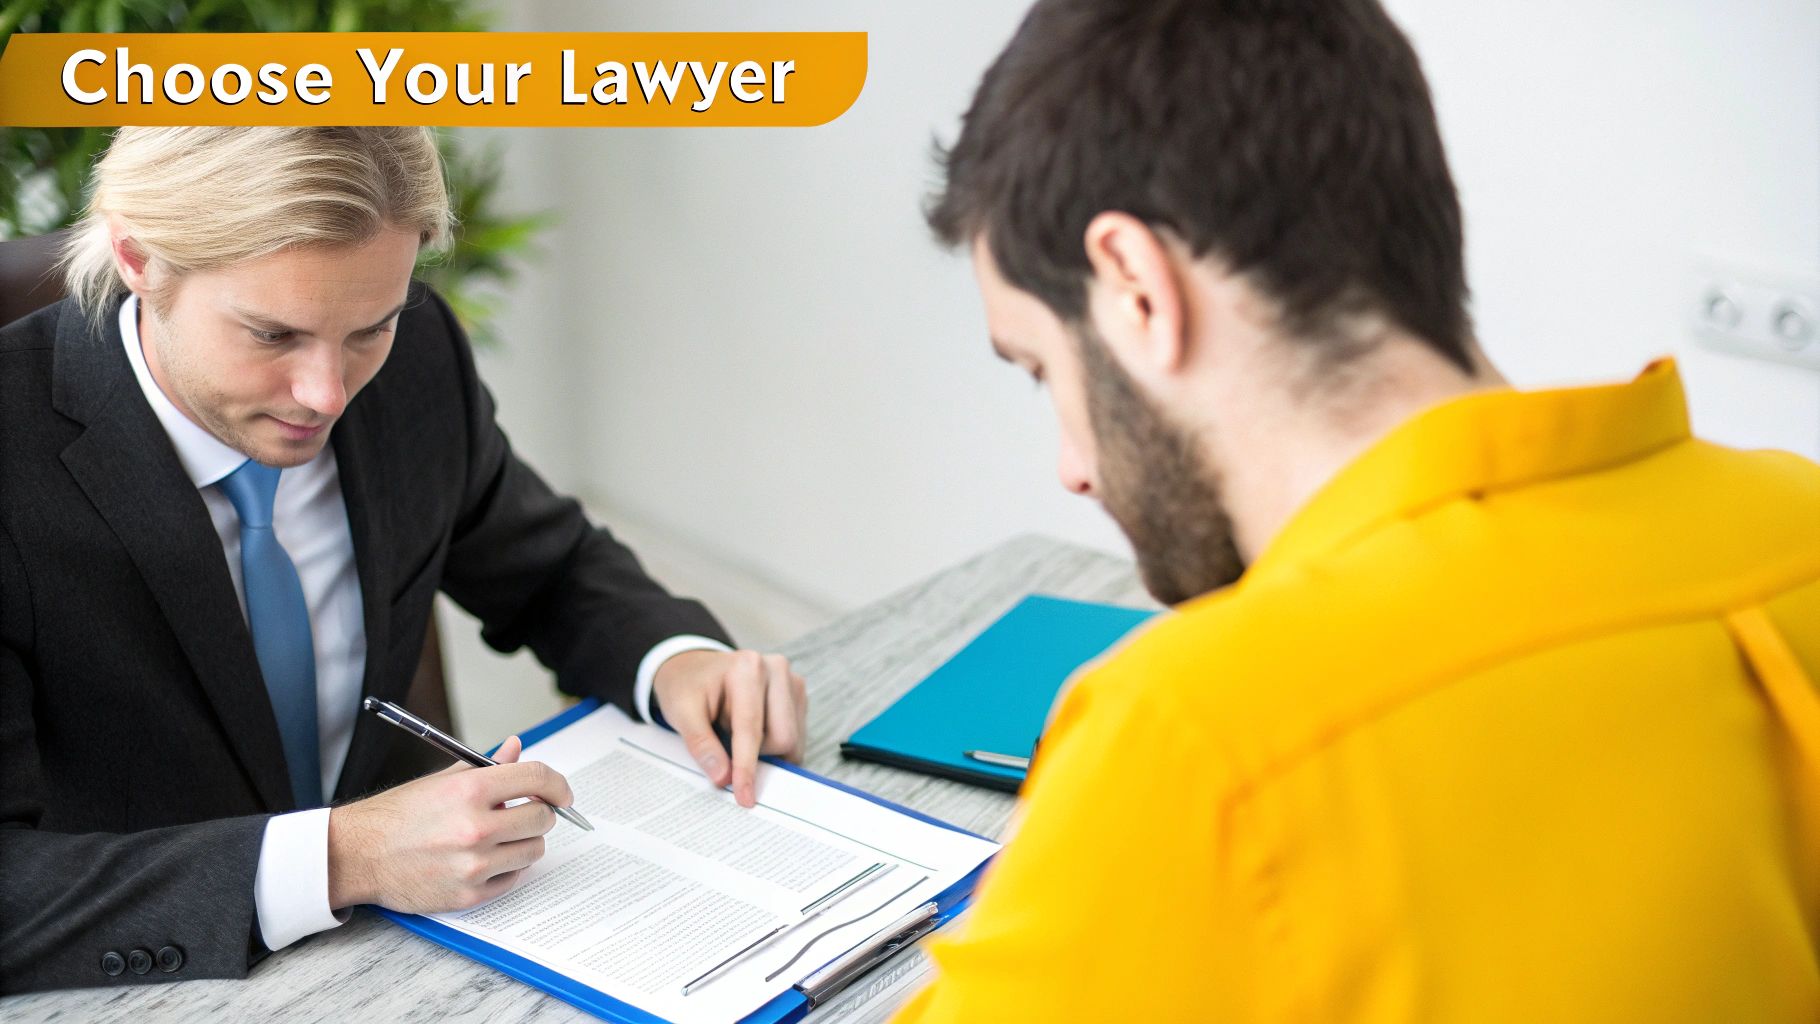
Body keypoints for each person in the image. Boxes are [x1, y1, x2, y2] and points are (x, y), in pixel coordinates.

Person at [896, 1, 1820, 1020]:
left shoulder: (1192, 739)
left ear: (1135, 287)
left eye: (1040, 369)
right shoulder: (1797, 527)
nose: (1071, 468)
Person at [0, 126, 808, 993]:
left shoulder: (417, 355)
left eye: (368, 330)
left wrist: (676, 659)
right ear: (136, 257)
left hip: (428, 958)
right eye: (273, 336)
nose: (328, 394)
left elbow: (549, 568)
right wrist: (344, 857)